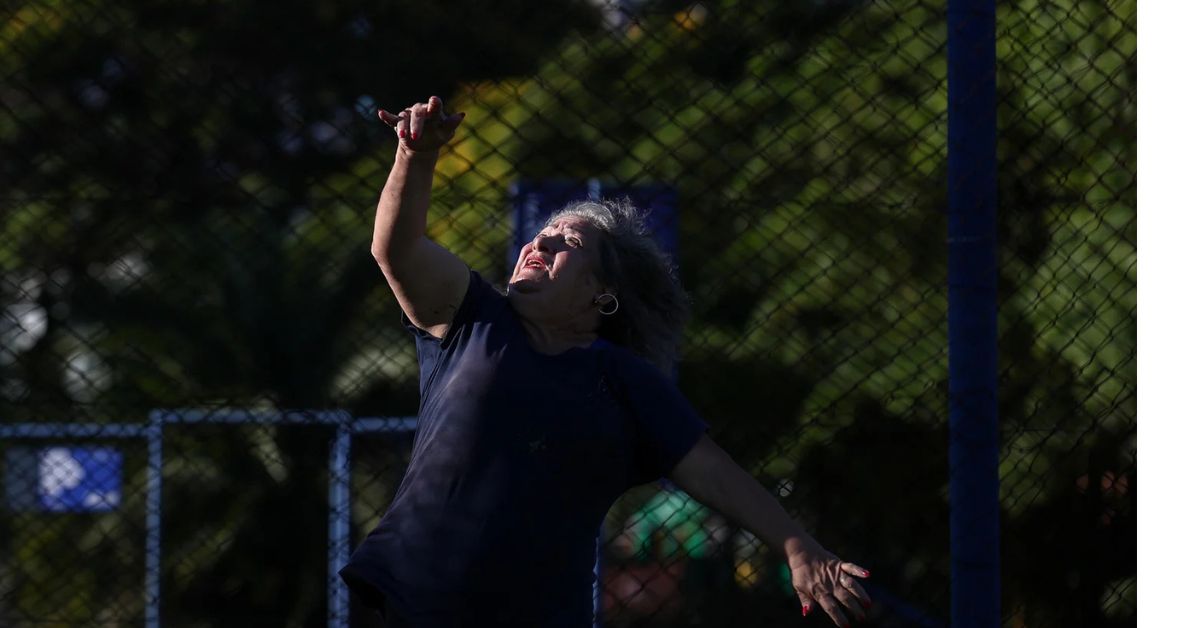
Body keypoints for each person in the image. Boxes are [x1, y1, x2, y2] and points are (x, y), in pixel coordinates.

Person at [340, 96, 872, 628]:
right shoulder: (474, 319)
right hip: (405, 603)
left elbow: (713, 472)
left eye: (566, 241)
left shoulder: (624, 382)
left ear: (603, 294)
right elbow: (397, 248)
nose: (538, 241)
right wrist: (414, 155)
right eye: (539, 234)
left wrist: (797, 547)